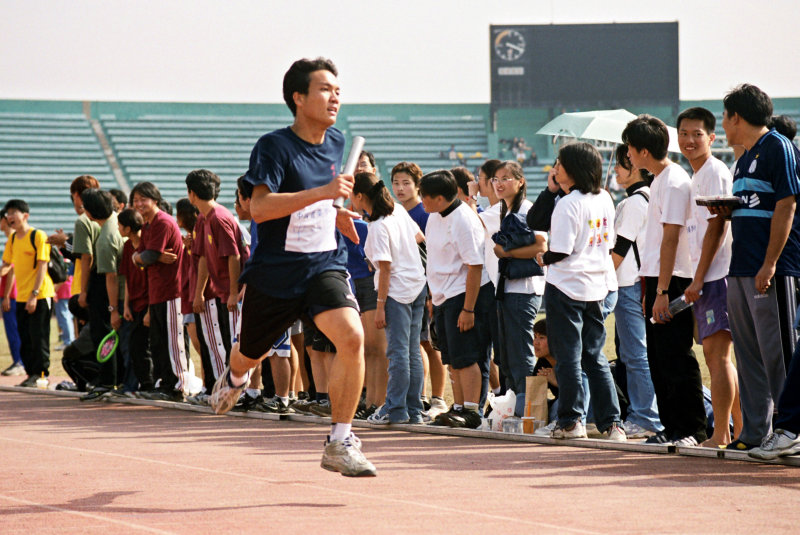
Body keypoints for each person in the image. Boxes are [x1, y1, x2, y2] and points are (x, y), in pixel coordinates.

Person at [208, 57, 376, 477]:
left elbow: (321, 202)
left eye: (338, 89)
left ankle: (339, 440)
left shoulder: (338, 143)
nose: (335, 96)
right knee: (250, 354)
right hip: (276, 274)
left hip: (324, 264)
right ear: (299, 98)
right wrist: (323, 193)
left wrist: (335, 215)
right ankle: (235, 377)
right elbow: (260, 209)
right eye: (324, 89)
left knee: (352, 337)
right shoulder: (274, 146)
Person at [713, 84, 800, 451]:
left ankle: (789, 430)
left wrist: (770, 262)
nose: (723, 124)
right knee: (749, 355)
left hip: (771, 269)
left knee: (779, 351)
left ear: (736, 117)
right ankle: (754, 432)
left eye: (724, 117)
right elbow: (755, 205)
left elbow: (787, 204)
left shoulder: (777, 146)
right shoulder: (743, 157)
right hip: (740, 266)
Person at [622, 115, 707, 446]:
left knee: (676, 355)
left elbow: (671, 237)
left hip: (671, 279)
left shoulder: (673, 182)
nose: (627, 155)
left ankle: (692, 429)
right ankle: (672, 427)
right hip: (655, 278)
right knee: (658, 359)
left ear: (643, 150)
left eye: (629, 148)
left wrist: (660, 290)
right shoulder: (658, 180)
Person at [535, 143, 625, 441]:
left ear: (572, 168)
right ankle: (613, 425)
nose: (555, 168)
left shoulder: (568, 203)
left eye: (559, 163)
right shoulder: (605, 198)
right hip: (596, 286)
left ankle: (571, 420)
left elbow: (560, 249)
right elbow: (607, 241)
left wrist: (542, 257)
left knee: (570, 358)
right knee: (595, 356)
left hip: (566, 287)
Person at [676, 107, 742, 448]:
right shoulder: (696, 176)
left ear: (712, 137)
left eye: (697, 134)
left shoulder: (714, 172)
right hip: (708, 277)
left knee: (718, 359)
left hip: (717, 276)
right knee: (718, 359)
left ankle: (722, 433)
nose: (689, 140)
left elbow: (717, 225)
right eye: (684, 133)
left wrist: (698, 279)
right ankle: (740, 433)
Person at [350, 171, 427, 424]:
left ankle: (395, 409)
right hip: (416, 284)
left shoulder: (378, 225)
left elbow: (385, 267)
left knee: (397, 352)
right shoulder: (398, 211)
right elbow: (419, 237)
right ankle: (413, 409)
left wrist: (380, 305)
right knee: (411, 351)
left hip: (396, 291)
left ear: (360, 196)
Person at [421, 169, 493, 429]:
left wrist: (468, 309)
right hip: (442, 296)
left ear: (440, 198)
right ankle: (459, 407)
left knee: (467, 356)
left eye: (424, 196)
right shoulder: (434, 217)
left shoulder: (463, 219)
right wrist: (433, 297)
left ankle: (473, 411)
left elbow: (475, 266)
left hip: (463, 295)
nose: (421, 201)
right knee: (451, 357)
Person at [610, 145, 663, 439]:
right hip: (633, 284)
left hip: (628, 284)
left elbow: (619, 250)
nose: (616, 169)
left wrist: (601, 278)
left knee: (635, 354)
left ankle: (646, 416)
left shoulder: (633, 203)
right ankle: (644, 413)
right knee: (634, 353)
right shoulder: (642, 199)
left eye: (621, 164)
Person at [489, 161, 547, 416]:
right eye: (495, 179)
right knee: (509, 352)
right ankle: (514, 405)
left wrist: (505, 252)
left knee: (522, 349)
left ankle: (530, 410)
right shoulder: (506, 208)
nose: (499, 183)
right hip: (509, 288)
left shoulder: (528, 209)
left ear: (521, 181)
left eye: (505, 178)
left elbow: (541, 246)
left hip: (525, 289)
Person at [390, 161, 447, 418]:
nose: (400, 189)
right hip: (406, 287)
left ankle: (436, 397)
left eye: (406, 183)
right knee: (416, 343)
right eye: (396, 183)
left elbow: (431, 252)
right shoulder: (396, 212)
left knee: (427, 342)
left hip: (423, 287)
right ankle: (420, 396)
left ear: (417, 185)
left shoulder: (425, 214)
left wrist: (432, 290)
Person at [187, 169, 247, 393]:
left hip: (230, 293)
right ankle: (222, 390)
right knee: (220, 344)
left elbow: (234, 255)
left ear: (191, 194)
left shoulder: (220, 218)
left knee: (233, 344)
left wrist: (233, 291)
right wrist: (199, 292)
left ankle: (238, 391)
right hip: (219, 293)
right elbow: (202, 256)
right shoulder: (203, 218)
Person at [131, 181, 189, 402]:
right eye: (135, 200)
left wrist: (145, 257)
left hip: (171, 292)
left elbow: (146, 256)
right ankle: (163, 383)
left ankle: (176, 386)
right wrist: (143, 257)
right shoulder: (147, 225)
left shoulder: (162, 222)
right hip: (156, 292)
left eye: (142, 199)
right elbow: (140, 256)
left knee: (173, 340)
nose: (139, 204)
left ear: (154, 199)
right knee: (158, 341)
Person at [1, 199, 55, 387]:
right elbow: (7, 265)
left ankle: (41, 374)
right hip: (22, 296)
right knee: (25, 337)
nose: (9, 217)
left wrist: (34, 294)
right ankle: (31, 373)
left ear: (25, 215)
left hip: (39, 295)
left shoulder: (38, 236)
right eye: (7, 214)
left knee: (39, 336)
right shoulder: (13, 239)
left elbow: (42, 266)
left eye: (13, 213)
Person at [79, 188, 127, 398]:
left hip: (106, 290)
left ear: (90, 213)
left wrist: (113, 309)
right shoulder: (116, 222)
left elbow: (110, 276)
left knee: (104, 335)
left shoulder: (106, 237)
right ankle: (116, 379)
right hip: (114, 286)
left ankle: (108, 381)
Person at [351, 151, 388, 418]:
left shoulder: (384, 213)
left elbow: (418, 237)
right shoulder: (349, 204)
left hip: (372, 281)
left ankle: (378, 402)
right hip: (351, 279)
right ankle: (368, 403)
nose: (359, 169)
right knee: (366, 348)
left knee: (378, 348)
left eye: (364, 165)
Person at [118, 208, 154, 393]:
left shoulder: (147, 247)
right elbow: (127, 279)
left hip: (149, 303)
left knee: (143, 346)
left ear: (128, 228)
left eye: (120, 225)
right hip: (134, 304)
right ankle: (140, 385)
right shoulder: (126, 247)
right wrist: (125, 305)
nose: (117, 228)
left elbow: (153, 279)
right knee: (134, 346)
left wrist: (149, 310)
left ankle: (148, 385)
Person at [0, 210, 24, 376]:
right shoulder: (13, 238)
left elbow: (12, 269)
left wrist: (7, 295)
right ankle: (18, 361)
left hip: (13, 292)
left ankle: (19, 362)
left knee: (13, 329)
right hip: (11, 291)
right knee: (12, 329)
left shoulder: (14, 239)